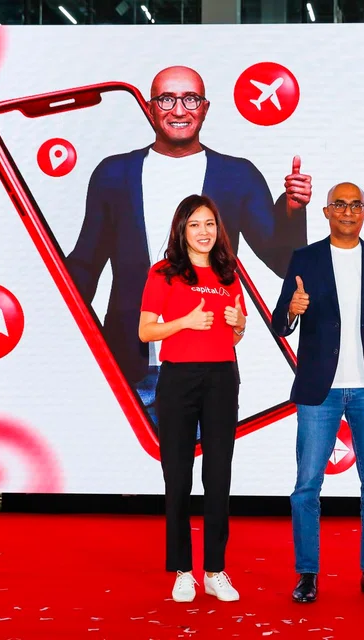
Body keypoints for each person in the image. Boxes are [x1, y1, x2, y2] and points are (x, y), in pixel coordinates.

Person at [68, 65, 312, 431]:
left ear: (205, 107)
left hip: (207, 361)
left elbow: (281, 259)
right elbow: (85, 265)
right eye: (166, 98)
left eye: (190, 99)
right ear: (150, 107)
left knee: (201, 478)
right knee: (129, 484)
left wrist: (292, 210)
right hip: (128, 364)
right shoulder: (113, 173)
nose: (178, 110)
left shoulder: (238, 174)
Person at [271, 182, 364, 604]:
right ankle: (307, 574)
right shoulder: (305, 259)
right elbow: (278, 322)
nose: (347, 211)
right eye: (339, 204)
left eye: (355, 204)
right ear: (325, 211)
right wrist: (290, 311)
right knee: (307, 486)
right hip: (318, 389)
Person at [138, 194, 248, 603]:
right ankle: (183, 570)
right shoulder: (164, 272)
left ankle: (215, 569)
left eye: (210, 224)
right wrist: (184, 322)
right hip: (178, 379)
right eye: (195, 224)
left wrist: (238, 326)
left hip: (222, 377)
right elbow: (146, 332)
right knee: (178, 478)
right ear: (182, 229)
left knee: (218, 477)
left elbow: (234, 332)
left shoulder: (227, 272)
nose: (204, 232)